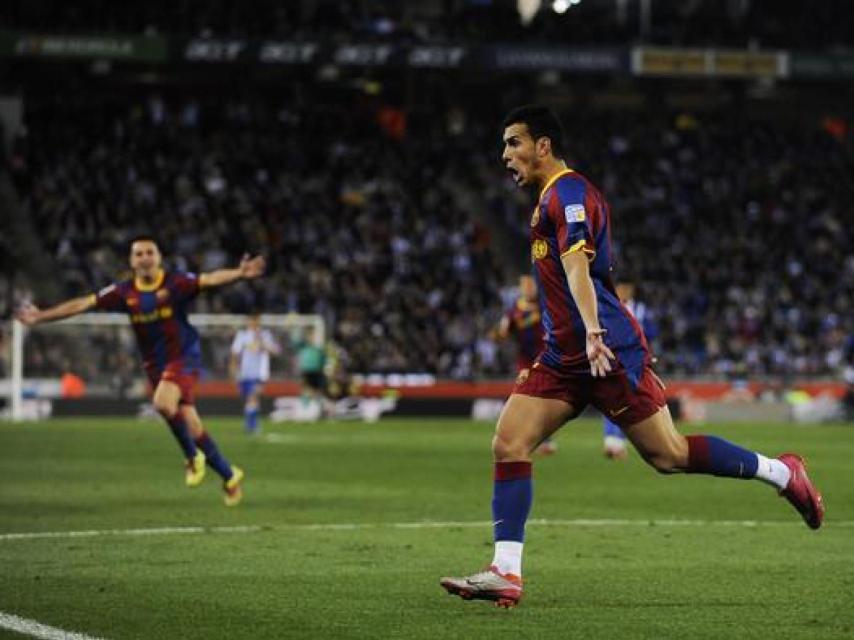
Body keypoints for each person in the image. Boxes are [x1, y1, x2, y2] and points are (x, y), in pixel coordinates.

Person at [440, 105, 824, 608]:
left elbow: (579, 266)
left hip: (606, 351)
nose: (505, 154)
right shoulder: (549, 199)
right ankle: (505, 572)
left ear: (543, 146)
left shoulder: (569, 194)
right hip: (563, 357)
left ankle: (781, 472)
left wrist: (596, 331)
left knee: (670, 455)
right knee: (509, 442)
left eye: (513, 143)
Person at [16, 235, 265, 507]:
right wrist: (42, 316)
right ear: (131, 261)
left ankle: (192, 457)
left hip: (183, 356)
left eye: (150, 252)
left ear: (158, 258)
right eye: (139, 254)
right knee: (191, 423)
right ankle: (230, 476)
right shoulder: (124, 292)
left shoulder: (175, 283)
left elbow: (210, 279)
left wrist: (240, 274)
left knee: (162, 402)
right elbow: (82, 304)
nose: (145, 257)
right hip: (155, 364)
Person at [491, 275, 555, 455]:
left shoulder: (546, 306)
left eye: (530, 284)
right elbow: (502, 333)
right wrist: (498, 335)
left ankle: (543, 438)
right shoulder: (514, 311)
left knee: (543, 398)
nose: (528, 288)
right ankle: (522, 435)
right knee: (526, 393)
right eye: (524, 285)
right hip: (525, 361)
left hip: (546, 358)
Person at [601, 280, 653, 460]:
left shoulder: (640, 310)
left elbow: (650, 333)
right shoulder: (606, 306)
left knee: (629, 401)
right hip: (611, 358)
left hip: (633, 360)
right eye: (620, 288)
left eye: (626, 288)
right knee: (610, 399)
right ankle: (610, 442)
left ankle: (619, 443)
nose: (623, 291)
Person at [230, 313, 281, 434]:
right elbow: (235, 353)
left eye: (257, 321)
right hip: (245, 372)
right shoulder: (242, 335)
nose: (254, 324)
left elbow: (276, 350)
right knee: (251, 400)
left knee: (253, 397)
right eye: (252, 321)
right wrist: (233, 369)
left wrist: (263, 343)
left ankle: (251, 425)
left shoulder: (265, 335)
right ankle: (251, 425)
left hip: (260, 373)